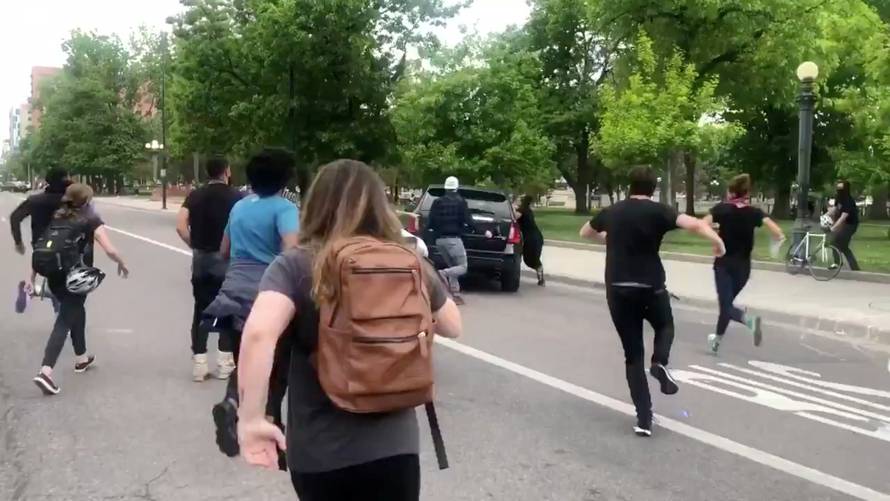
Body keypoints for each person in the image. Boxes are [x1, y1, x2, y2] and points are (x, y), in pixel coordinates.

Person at [236, 159, 462, 500]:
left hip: (322, 454)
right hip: (395, 449)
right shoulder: (407, 260)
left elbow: (258, 334)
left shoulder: (298, 263)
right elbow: (452, 326)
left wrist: (251, 418)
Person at [579, 167, 725, 437]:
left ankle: (644, 419)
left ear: (629, 185)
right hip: (651, 286)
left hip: (618, 288)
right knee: (665, 325)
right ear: (653, 187)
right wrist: (717, 242)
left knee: (633, 355)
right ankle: (659, 362)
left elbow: (584, 232)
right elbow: (694, 224)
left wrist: (608, 239)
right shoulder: (661, 211)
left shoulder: (613, 211)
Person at [206, 148, 299, 462]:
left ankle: (234, 401)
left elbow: (224, 250)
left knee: (245, 357)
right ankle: (271, 428)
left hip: (232, 290)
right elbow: (292, 253)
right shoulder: (285, 209)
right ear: (285, 179)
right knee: (278, 363)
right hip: (268, 291)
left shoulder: (240, 207)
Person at [32, 183, 129, 396]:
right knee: (65, 320)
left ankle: (81, 358)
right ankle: (45, 371)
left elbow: (43, 245)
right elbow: (109, 248)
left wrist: (31, 277)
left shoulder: (58, 217)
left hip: (54, 275)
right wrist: (122, 263)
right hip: (76, 277)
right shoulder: (90, 219)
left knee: (76, 311)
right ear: (86, 201)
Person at [176, 156, 243, 382]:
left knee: (201, 307)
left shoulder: (195, 195)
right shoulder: (237, 197)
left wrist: (193, 244)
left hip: (201, 258)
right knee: (228, 308)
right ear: (226, 171)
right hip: (227, 258)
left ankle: (200, 362)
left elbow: (180, 225)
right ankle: (224, 361)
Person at [703, 174, 785, 354]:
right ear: (746, 192)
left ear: (731, 192)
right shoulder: (754, 212)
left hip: (724, 264)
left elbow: (702, 225)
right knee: (727, 305)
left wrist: (716, 239)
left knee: (726, 306)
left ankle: (749, 320)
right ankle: (716, 340)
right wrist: (775, 246)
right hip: (744, 268)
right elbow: (778, 232)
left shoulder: (722, 209)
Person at [10, 168, 71, 312]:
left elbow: (15, 217)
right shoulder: (71, 201)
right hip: (67, 248)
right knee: (71, 287)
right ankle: (62, 319)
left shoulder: (35, 201)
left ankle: (32, 290)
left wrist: (18, 242)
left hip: (41, 249)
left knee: (59, 283)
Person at [426, 176, 490, 305]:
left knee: (453, 267)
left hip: (440, 241)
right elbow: (468, 221)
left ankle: (455, 294)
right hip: (454, 240)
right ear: (456, 187)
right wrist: (483, 231)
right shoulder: (461, 202)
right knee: (462, 267)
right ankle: (441, 274)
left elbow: (430, 223)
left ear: (446, 187)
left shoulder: (437, 202)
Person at [831, 180, 860, 271]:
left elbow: (844, 216)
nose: (838, 190)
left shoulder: (848, 200)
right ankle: (851, 267)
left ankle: (838, 263)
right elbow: (834, 209)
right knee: (840, 245)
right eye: (837, 188)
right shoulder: (838, 198)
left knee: (838, 243)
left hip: (850, 225)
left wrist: (834, 227)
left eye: (840, 188)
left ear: (845, 189)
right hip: (844, 224)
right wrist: (825, 215)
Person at [516, 194, 545, 286]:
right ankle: (541, 279)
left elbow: (514, 216)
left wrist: (511, 207)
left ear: (522, 201)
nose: (517, 199)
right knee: (533, 258)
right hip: (536, 236)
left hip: (531, 238)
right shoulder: (528, 210)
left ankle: (541, 278)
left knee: (530, 259)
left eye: (519, 198)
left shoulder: (522, 210)